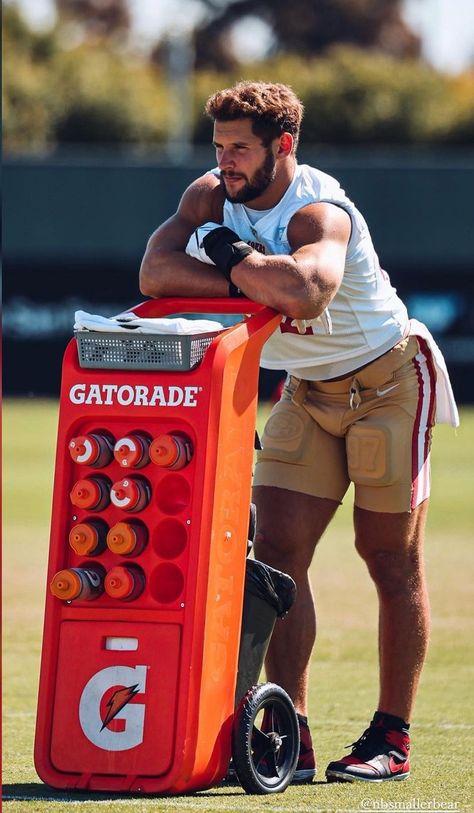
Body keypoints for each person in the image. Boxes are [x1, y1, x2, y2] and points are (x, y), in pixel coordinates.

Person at [139, 81, 459, 784]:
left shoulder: (319, 208)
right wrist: (248, 272)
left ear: (283, 146)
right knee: (276, 560)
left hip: (387, 382)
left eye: (240, 148)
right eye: (219, 146)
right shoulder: (209, 198)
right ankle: (291, 729)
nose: (225, 162)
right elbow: (155, 269)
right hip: (307, 391)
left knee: (387, 559)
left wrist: (225, 257)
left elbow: (307, 291)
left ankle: (392, 736)